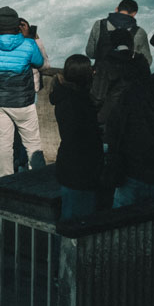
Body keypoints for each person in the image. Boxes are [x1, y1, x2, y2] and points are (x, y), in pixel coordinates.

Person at [0, 6, 46, 177]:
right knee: (32, 143)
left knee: (4, 142)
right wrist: (28, 37)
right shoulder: (28, 44)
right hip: (23, 102)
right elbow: (39, 62)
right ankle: (38, 180)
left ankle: (5, 179)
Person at [102, 59, 154, 207]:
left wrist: (114, 157)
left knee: (119, 222)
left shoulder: (132, 93)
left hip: (131, 172)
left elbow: (113, 127)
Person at [50, 55, 103, 219]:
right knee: (77, 221)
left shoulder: (64, 96)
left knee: (71, 213)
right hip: (81, 168)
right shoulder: (77, 102)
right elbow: (82, 136)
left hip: (69, 164)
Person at [85, 0, 152, 119]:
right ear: (134, 13)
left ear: (117, 9)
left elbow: (90, 52)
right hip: (127, 91)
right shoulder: (140, 32)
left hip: (99, 85)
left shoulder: (99, 25)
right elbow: (148, 61)